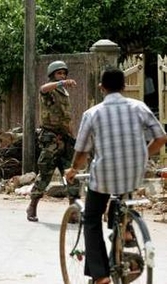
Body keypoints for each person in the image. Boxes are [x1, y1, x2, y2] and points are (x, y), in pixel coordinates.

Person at [65, 66, 167, 284]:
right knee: (120, 199)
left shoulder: (93, 113)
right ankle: (125, 229)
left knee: (91, 218)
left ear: (102, 87)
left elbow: (81, 152)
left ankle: (101, 275)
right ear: (124, 86)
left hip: (104, 176)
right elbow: (160, 137)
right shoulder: (139, 107)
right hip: (134, 174)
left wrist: (73, 170)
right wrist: (142, 154)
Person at [26, 60, 80, 222]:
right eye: (59, 73)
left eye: (64, 73)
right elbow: (42, 89)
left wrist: (73, 137)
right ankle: (32, 206)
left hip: (64, 138)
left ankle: (73, 211)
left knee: (72, 175)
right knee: (45, 175)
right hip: (50, 139)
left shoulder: (64, 93)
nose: (62, 76)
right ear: (52, 76)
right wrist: (61, 82)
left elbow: (66, 117)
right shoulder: (49, 89)